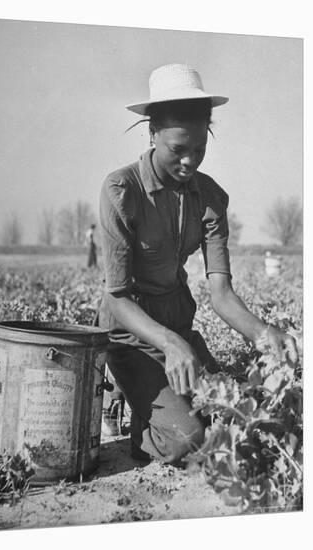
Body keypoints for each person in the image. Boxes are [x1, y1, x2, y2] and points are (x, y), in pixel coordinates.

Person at [98, 64, 298, 464]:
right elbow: (117, 297)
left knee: (232, 412)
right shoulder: (122, 190)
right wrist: (169, 344)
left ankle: (151, 399)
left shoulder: (210, 198)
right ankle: (129, 402)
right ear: (152, 134)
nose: (190, 161)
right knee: (189, 439)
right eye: (178, 149)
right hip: (130, 333)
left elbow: (221, 293)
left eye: (200, 149)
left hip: (179, 329)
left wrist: (264, 335)